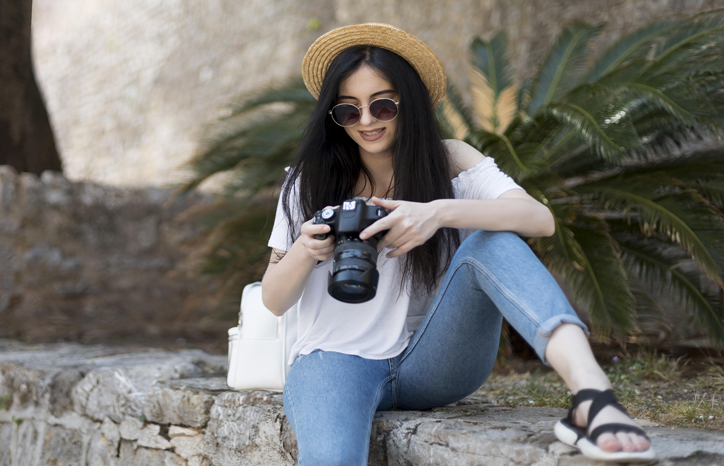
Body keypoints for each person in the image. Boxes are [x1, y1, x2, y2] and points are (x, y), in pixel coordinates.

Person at [260, 23, 656, 465]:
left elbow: (538, 219)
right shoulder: (307, 182)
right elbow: (274, 301)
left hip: (435, 363)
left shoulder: (450, 160)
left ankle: (593, 399)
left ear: (410, 102)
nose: (367, 121)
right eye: (349, 111)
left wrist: (437, 212)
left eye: (384, 105)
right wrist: (304, 249)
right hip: (333, 362)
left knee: (491, 242)